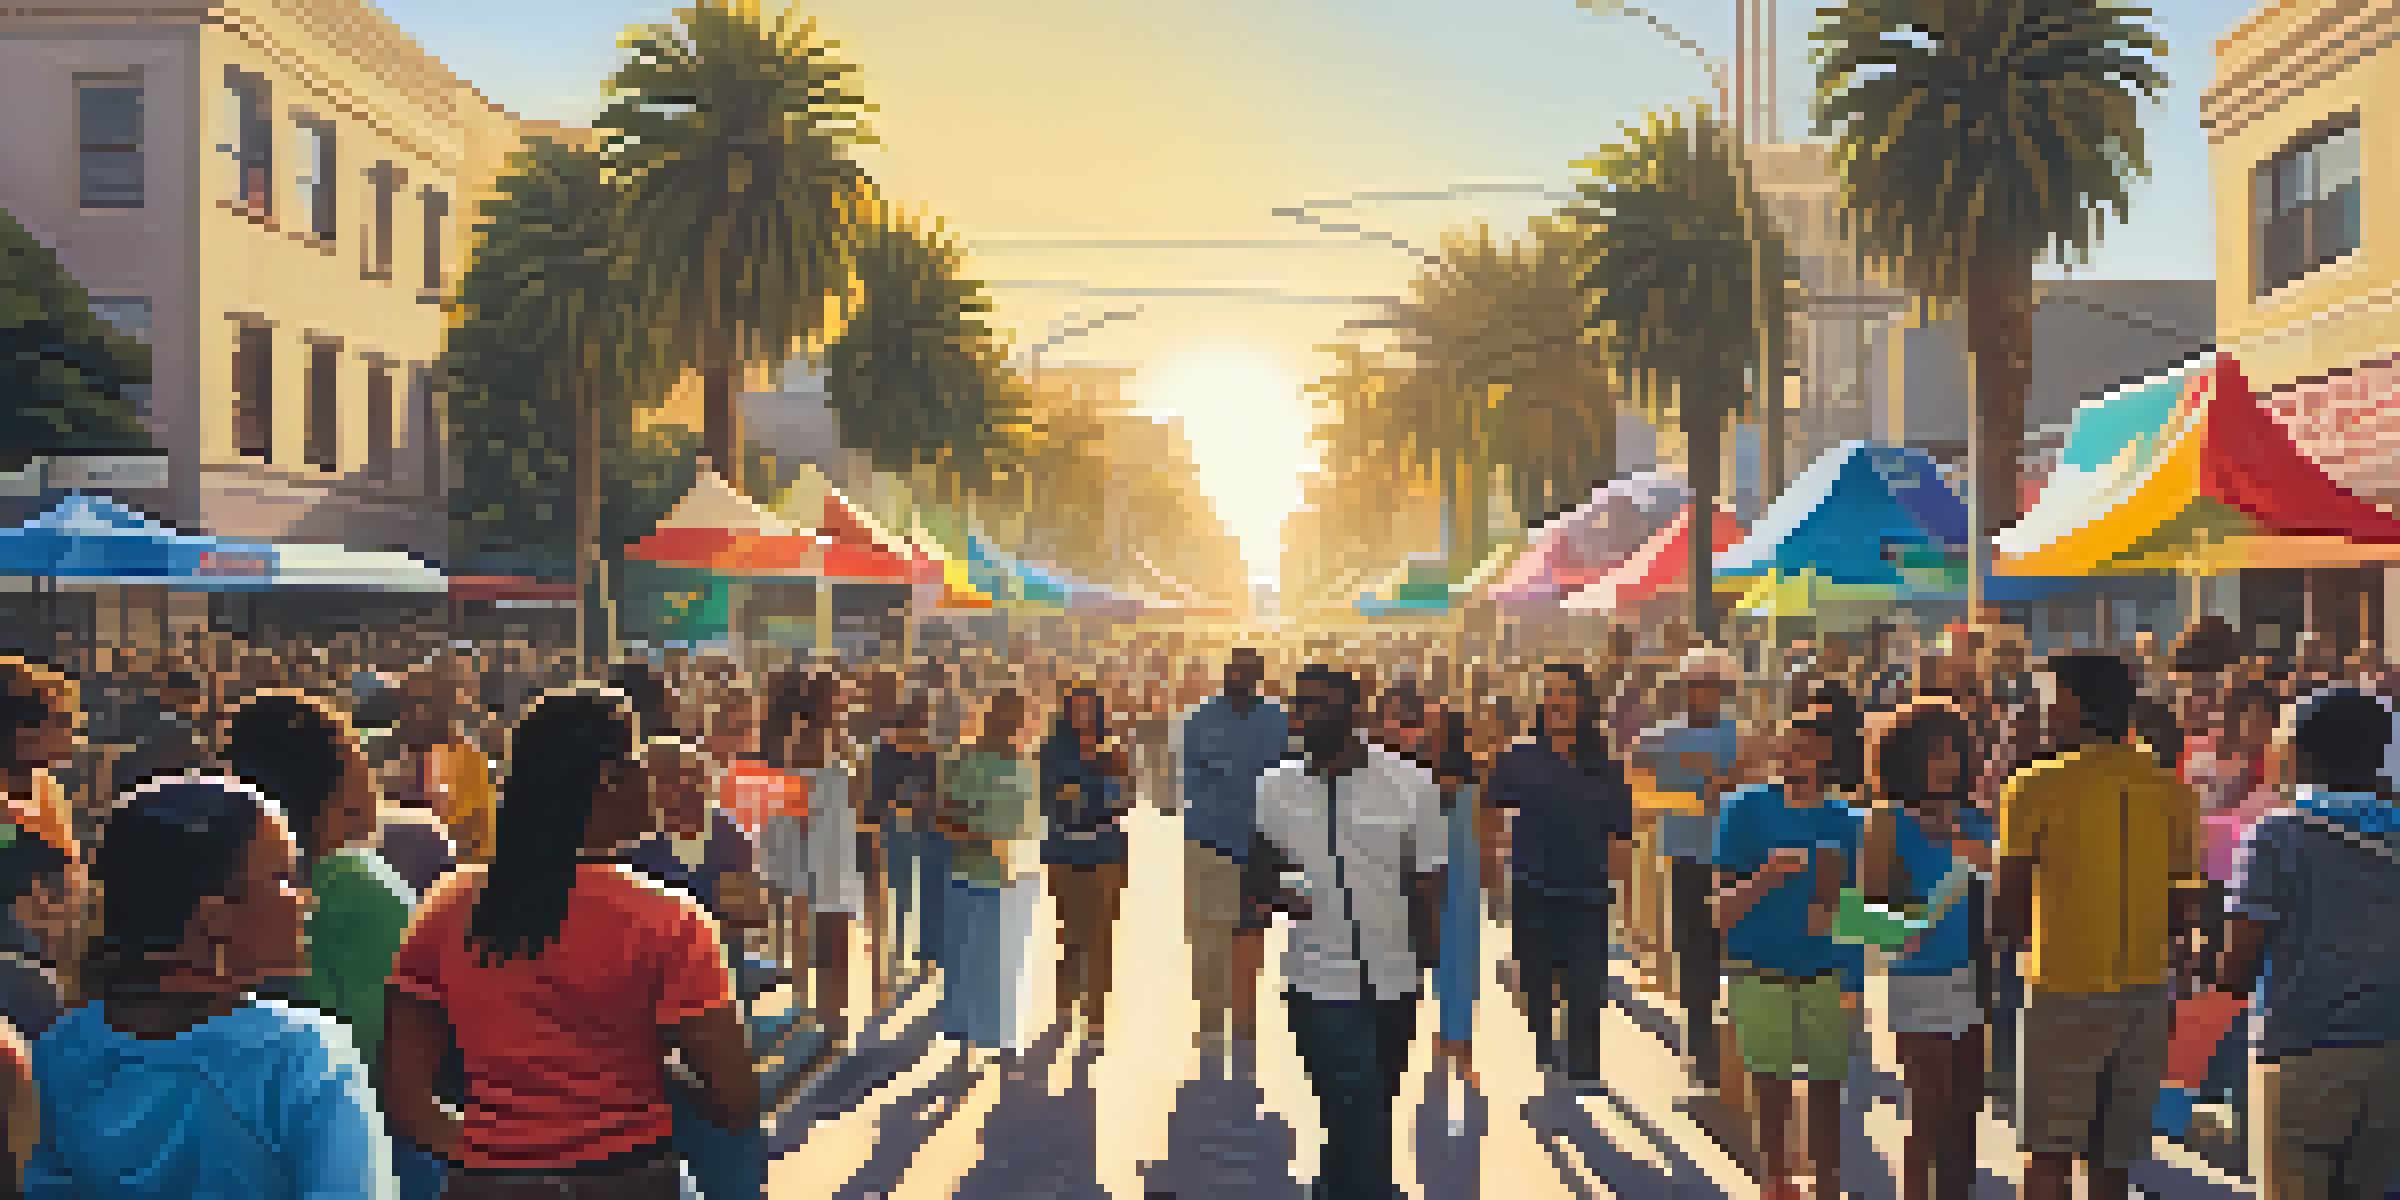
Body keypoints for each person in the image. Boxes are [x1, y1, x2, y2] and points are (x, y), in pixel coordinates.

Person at [383, 689, 755, 1199]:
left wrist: (498, 1157)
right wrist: (657, 1066)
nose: (652, 780)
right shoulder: (670, 921)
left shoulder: (447, 907)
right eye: (641, 760)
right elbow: (735, 1100)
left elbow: (404, 1099)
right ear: (608, 779)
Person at [28, 775, 392, 1197]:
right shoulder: (302, 1057)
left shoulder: (59, 1056)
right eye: (284, 877)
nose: (304, 898)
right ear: (214, 916)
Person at [1995, 654, 2204, 1200]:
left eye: (2048, 696)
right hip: (2144, 989)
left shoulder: (2032, 785)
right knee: (2113, 1160)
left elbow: (2009, 902)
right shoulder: (2171, 789)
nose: (2041, 709)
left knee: (2048, 1155)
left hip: (2060, 986)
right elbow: (2185, 907)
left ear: (2073, 705)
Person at [1252, 665, 1445, 1200]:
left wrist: (1428, 958)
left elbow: (1430, 875)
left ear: (1352, 712)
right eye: (1300, 704)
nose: (1305, 715)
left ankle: (1337, 1183)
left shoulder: (1410, 784)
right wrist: (1291, 899)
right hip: (1316, 977)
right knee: (1351, 1092)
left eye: (1319, 704)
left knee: (1372, 1099)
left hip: (1394, 976)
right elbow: (1258, 874)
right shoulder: (1276, 787)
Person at [2218, 690, 2400, 1200]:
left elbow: (2236, 969)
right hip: (2390, 1053)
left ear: (2298, 754)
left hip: (2300, 1057)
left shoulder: (2276, 835)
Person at [1711, 711, 1862, 1200]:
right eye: (1786, 744)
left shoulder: (1850, 822)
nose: (1789, 755)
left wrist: (1853, 976)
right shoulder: (1742, 810)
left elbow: (1880, 917)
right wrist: (1767, 877)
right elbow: (1720, 911)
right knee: (1770, 1085)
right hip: (1759, 969)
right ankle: (1775, 1183)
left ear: (1826, 755)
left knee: (1826, 1087)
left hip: (1828, 973)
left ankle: (1828, 1186)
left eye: (1803, 747)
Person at [1861, 700, 1992, 1200]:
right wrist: (1947, 883)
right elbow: (1876, 922)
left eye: (1953, 752)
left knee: (1965, 1113)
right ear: (1905, 757)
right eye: (1932, 752)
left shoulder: (1977, 821)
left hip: (1978, 978)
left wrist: (1980, 857)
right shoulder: (1886, 822)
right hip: (1919, 979)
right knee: (1929, 1113)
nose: (1945, 763)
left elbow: (2008, 896)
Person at [1490, 663, 1634, 1090]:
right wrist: (1494, 863)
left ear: (1584, 703)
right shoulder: (1520, 757)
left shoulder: (1606, 766)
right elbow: (1492, 808)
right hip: (1532, 884)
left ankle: (1585, 1066)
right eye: (1550, 693)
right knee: (1536, 980)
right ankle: (1543, 1038)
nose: (1557, 702)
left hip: (1588, 889)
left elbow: (1621, 832)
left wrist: (1618, 890)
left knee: (1586, 982)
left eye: (1566, 693)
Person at [1631, 647, 1741, 1091]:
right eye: (1697, 686)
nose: (1704, 694)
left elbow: (1755, 784)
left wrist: (1727, 791)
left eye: (1712, 686)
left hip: (1734, 860)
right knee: (1695, 958)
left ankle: (1738, 1049)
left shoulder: (1738, 737)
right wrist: (1698, 799)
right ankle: (1702, 1053)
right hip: (1687, 860)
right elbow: (1638, 797)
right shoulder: (1658, 739)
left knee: (1731, 959)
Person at [1174, 646, 1286, 1078]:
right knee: (1206, 938)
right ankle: (1209, 1022)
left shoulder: (1277, 718)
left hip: (1260, 846)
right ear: (1226, 675)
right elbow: (1190, 778)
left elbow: (1287, 772)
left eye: (1249, 672)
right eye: (1235, 671)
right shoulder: (1200, 717)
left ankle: (1244, 1024)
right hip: (1208, 841)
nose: (1241, 678)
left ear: (1258, 676)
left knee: (1250, 936)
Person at [937, 688, 1041, 1077]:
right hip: (970, 871)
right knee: (968, 957)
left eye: (1019, 716)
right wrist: (978, 834)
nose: (1013, 724)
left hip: (1015, 876)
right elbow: (946, 816)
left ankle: (1002, 1036)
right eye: (1007, 715)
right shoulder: (966, 762)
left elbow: (1032, 821)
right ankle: (965, 1039)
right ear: (993, 716)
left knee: (1007, 958)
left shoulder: (1026, 766)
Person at [762, 673, 863, 1046]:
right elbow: (799, 796)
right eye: (838, 694)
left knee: (827, 937)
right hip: (816, 846)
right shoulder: (807, 736)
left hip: (831, 845)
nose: (844, 699)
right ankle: (822, 1018)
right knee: (816, 935)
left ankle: (828, 1017)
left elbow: (855, 793)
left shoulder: (836, 737)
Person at [1039, 683, 1133, 1046]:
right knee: (1071, 931)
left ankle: (1096, 1015)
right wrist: (1075, 792)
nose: (1082, 717)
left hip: (1107, 850)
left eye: (1088, 709)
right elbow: (1048, 797)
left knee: (1102, 935)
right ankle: (1066, 1001)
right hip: (1065, 850)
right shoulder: (1053, 749)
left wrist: (1113, 777)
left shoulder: (1114, 749)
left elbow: (1124, 802)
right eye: (1075, 709)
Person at [1429, 706, 1485, 1133]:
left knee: (1457, 959)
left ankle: (1459, 1041)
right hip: (1435, 876)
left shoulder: (1456, 781)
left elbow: (1483, 831)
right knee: (1443, 959)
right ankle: (1449, 1035)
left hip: (1457, 877)